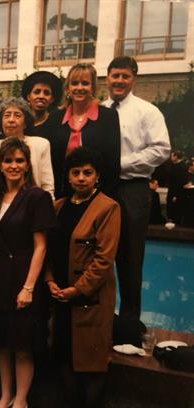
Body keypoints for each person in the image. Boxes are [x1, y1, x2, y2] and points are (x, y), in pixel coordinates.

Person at [46, 147, 120, 408]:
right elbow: (48, 251)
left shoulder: (108, 208)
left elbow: (104, 259)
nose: (81, 178)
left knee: (91, 363)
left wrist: (77, 290)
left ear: (97, 176)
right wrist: (50, 281)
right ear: (67, 176)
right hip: (60, 296)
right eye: (75, 173)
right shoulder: (58, 207)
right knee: (65, 356)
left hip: (90, 299)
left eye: (87, 173)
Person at [0, 138, 55, 408]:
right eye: (8, 160)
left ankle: (21, 399)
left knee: (22, 346)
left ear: (27, 165)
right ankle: (5, 395)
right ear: (0, 165)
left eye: (19, 161)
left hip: (24, 276)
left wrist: (28, 287)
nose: (13, 166)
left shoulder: (37, 197)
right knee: (2, 343)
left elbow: (41, 246)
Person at [101, 56, 170, 325]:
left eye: (125, 76)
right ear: (106, 78)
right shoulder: (100, 111)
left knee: (130, 258)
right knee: (99, 254)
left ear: (134, 79)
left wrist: (119, 165)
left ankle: (129, 324)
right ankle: (101, 319)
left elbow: (161, 149)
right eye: (114, 75)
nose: (119, 81)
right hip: (103, 188)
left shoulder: (147, 111)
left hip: (132, 188)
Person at [47, 63, 121, 199]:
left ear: (93, 87)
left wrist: (105, 198)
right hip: (62, 194)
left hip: (97, 194)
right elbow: (51, 162)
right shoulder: (54, 118)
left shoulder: (108, 117)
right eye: (75, 83)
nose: (79, 88)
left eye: (85, 83)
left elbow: (113, 163)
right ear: (68, 88)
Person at [0, 98, 54, 199]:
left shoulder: (40, 145)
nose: (11, 120)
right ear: (0, 122)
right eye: (7, 115)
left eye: (17, 115)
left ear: (25, 122)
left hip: (31, 206)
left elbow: (47, 185)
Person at [21, 71, 63, 138]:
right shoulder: (21, 123)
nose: (41, 96)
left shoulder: (57, 124)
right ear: (28, 97)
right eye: (36, 92)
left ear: (52, 99)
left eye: (46, 93)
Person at [166, 151, 188, 224]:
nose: (171, 157)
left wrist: (176, 195)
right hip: (172, 189)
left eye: (172, 156)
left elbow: (180, 182)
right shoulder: (173, 165)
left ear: (176, 157)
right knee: (170, 206)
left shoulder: (182, 167)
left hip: (177, 191)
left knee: (176, 207)